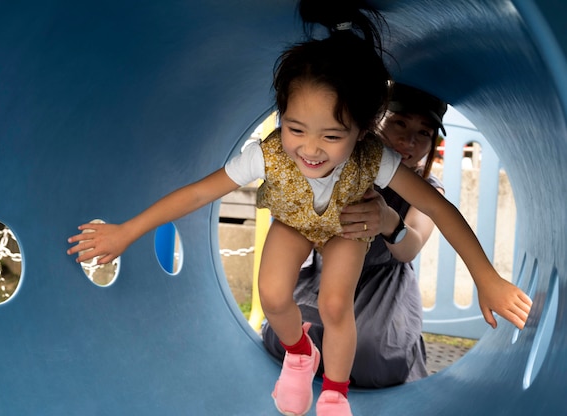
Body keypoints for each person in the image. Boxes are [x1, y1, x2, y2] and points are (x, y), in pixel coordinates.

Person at [67, 2, 532, 415]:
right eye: (295, 129)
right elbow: (197, 193)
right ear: (281, 114)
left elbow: (440, 209)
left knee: (334, 305)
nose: (310, 149)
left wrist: (486, 278)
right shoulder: (269, 154)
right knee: (272, 295)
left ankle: (334, 391)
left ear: (363, 131)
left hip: (346, 229)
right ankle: (299, 354)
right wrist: (127, 230)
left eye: (332, 136)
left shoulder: (376, 159)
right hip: (294, 221)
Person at [262, 81, 453, 388]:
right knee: (287, 332)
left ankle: (340, 388)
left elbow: (410, 248)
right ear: (377, 122)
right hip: (331, 272)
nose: (408, 140)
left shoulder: (427, 187)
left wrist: (390, 221)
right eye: (399, 123)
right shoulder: (347, 164)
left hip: (383, 280)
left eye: (424, 133)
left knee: (372, 351)